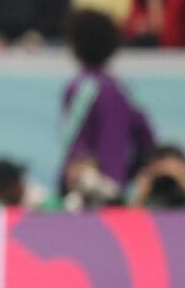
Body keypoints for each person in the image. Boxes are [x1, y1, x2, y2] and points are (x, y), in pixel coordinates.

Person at [60, 10, 154, 195]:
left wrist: (71, 174)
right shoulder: (121, 89)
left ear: (77, 45)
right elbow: (146, 137)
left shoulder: (81, 88)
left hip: (90, 189)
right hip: (119, 186)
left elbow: (73, 138)